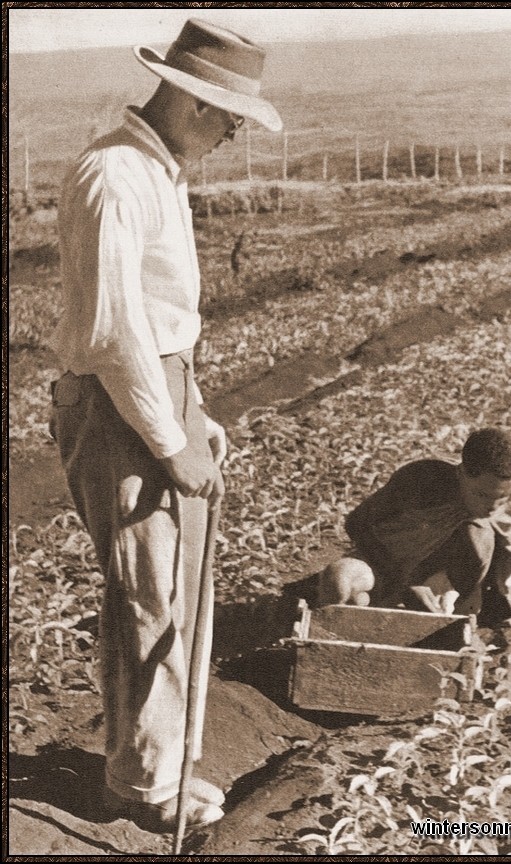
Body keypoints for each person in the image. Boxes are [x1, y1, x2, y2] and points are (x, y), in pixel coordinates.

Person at [49, 19, 282, 833]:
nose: (229, 134)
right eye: (226, 118)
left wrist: (195, 412)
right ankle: (143, 786)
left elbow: (158, 322)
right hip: (121, 408)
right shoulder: (116, 174)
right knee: (149, 598)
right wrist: (169, 437)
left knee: (178, 592)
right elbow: (114, 334)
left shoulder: (159, 168)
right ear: (188, 99)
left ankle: (160, 762)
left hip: (160, 392)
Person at [319, 428, 511, 697]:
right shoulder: (422, 481)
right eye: (482, 495)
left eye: (502, 498)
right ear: (462, 474)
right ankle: (330, 655)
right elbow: (357, 524)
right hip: (390, 565)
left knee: (479, 536)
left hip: (448, 587)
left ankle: (437, 635)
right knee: (338, 580)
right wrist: (404, 582)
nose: (493, 506)